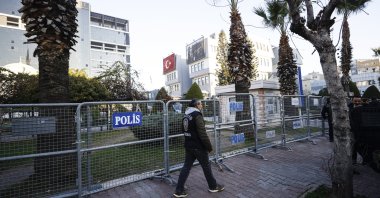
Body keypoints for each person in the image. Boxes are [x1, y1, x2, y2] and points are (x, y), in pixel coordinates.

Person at [173, 99, 224, 198]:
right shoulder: (197, 115)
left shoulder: (186, 115)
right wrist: (209, 146)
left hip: (189, 145)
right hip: (198, 146)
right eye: (200, 104)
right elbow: (202, 133)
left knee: (186, 167)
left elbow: (183, 129)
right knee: (206, 167)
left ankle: (179, 190)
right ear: (196, 105)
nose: (202, 105)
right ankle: (213, 186)